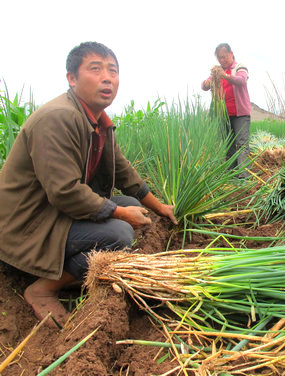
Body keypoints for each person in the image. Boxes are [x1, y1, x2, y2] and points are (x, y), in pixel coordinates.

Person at [0, 41, 178, 327]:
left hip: (54, 212)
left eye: (113, 70)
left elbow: (123, 171)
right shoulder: (58, 118)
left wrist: (159, 207)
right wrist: (118, 214)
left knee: (131, 205)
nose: (107, 77)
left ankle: (74, 263)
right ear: (72, 78)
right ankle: (43, 288)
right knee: (119, 234)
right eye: (96, 69)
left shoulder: (98, 121)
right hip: (27, 225)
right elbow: (65, 191)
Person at [201, 43, 251, 177]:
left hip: (240, 114)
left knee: (241, 144)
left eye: (224, 57)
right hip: (224, 115)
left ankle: (244, 176)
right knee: (229, 144)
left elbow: (241, 80)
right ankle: (231, 174)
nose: (222, 60)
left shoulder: (239, 67)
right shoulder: (217, 72)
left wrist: (226, 76)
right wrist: (206, 83)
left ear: (231, 53)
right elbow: (204, 85)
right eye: (219, 58)